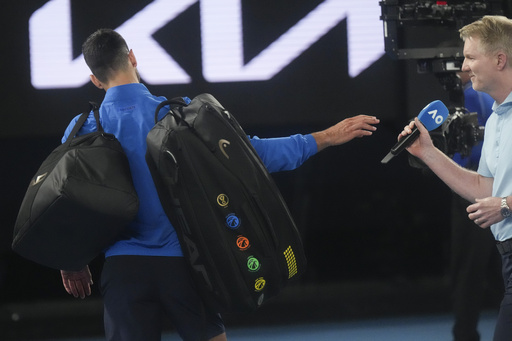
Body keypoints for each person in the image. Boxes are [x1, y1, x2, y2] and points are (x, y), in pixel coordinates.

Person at [58, 28, 380, 341]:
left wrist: (71, 261)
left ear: (95, 80)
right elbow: (253, 156)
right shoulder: (181, 115)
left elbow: (66, 203)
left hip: (122, 272)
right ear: (132, 57)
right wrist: (327, 137)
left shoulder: (81, 129)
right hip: (184, 267)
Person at [399, 15, 512, 341]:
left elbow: (498, 197)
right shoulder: (496, 120)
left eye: (471, 57)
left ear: (500, 60)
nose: (464, 65)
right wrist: (428, 152)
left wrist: (504, 205)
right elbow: (483, 187)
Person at [450, 72, 500, 341]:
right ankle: (465, 333)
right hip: (475, 190)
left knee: (471, 268)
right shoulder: (470, 97)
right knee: (473, 268)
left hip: (479, 191)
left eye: (470, 58)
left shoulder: (473, 96)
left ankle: (465, 334)